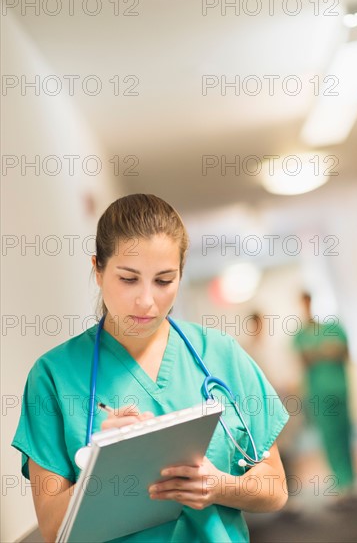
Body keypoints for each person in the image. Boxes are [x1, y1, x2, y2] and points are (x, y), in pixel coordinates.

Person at [12, 194, 289, 542]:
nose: (146, 301)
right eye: (128, 279)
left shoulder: (220, 354)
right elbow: (53, 528)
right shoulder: (53, 376)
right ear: (97, 269)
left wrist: (220, 487)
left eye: (163, 280)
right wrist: (107, 466)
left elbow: (275, 487)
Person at [293, 292, 355, 496]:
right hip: (319, 395)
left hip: (339, 390)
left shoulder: (334, 328)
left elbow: (343, 351)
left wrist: (319, 352)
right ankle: (341, 482)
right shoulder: (301, 335)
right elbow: (304, 359)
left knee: (345, 433)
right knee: (330, 439)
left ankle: (351, 479)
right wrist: (327, 351)